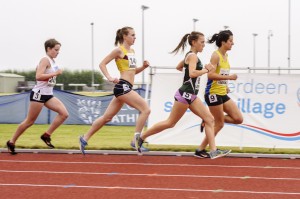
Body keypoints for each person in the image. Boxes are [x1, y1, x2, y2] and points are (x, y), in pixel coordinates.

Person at [135, 31, 231, 159]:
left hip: (191, 95)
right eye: (201, 42)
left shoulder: (191, 56)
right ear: (193, 42)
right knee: (170, 123)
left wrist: (191, 71)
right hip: (185, 94)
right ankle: (141, 137)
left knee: (209, 119)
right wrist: (206, 70)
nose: (204, 45)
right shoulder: (193, 56)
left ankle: (213, 151)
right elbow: (191, 74)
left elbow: (179, 67)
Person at [79, 26, 151, 155]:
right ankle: (135, 141)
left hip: (126, 87)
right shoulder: (119, 50)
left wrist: (143, 67)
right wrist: (109, 77)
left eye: (135, 35)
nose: (135, 37)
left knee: (107, 117)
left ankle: (84, 138)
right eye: (132, 35)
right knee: (145, 109)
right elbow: (102, 64)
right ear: (125, 36)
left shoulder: (132, 51)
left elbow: (133, 72)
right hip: (122, 86)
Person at [6, 38, 69, 155]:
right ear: (48, 49)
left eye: (59, 50)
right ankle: (11, 141)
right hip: (39, 94)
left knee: (64, 114)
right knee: (29, 122)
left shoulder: (52, 61)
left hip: (48, 94)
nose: (58, 52)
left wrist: (54, 74)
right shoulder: (45, 60)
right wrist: (56, 73)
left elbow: (48, 77)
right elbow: (38, 76)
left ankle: (46, 135)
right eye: (56, 50)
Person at [196, 30, 243, 158]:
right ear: (223, 42)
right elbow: (210, 74)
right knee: (219, 123)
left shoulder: (226, 56)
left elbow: (220, 74)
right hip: (213, 93)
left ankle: (207, 120)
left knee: (238, 119)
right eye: (230, 41)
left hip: (222, 92)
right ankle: (201, 149)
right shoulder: (215, 55)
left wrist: (225, 85)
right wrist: (229, 77)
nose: (233, 43)